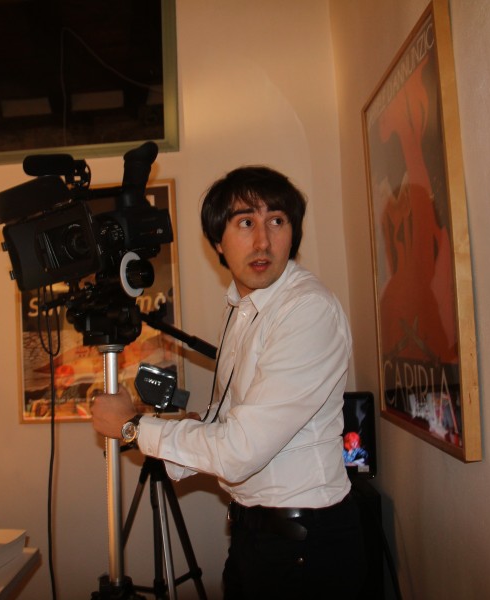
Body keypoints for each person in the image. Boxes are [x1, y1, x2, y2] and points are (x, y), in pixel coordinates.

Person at [92, 166, 365, 598]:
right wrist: (170, 429)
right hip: (255, 534)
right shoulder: (243, 306)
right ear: (218, 242)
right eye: (245, 223)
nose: (263, 241)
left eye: (277, 221)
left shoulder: (306, 310)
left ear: (293, 233)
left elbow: (240, 452)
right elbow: (232, 422)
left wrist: (133, 428)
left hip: (304, 546)